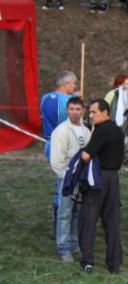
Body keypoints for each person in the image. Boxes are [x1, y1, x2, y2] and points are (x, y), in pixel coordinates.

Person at [79, 99, 124, 274]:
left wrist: (82, 154)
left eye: (94, 112)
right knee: (112, 222)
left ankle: (87, 261)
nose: (90, 116)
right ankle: (114, 263)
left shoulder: (101, 129)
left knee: (89, 219)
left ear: (105, 112)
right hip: (113, 178)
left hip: (98, 178)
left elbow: (86, 155)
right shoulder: (118, 129)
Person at [49, 96, 90, 263]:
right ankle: (64, 248)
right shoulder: (61, 131)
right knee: (65, 214)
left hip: (81, 180)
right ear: (67, 110)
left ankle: (74, 245)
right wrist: (67, 179)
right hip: (67, 180)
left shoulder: (86, 131)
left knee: (77, 213)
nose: (74, 112)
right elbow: (56, 161)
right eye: (71, 109)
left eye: (78, 109)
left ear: (83, 111)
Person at [41, 70, 77, 234]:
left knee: (60, 181)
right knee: (66, 184)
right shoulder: (68, 102)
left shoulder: (45, 98)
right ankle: (62, 227)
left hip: (49, 144)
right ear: (66, 84)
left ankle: (58, 222)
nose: (74, 86)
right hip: (63, 145)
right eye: (73, 83)